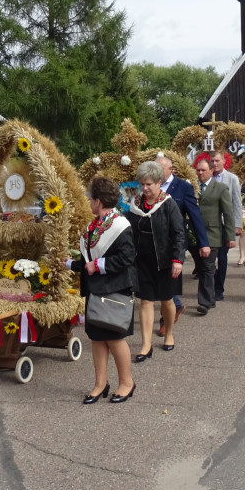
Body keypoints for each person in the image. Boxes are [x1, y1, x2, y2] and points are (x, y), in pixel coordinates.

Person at [66, 176, 136, 404]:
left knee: (115, 338)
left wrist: (98, 266)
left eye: (90, 198)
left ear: (98, 200)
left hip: (115, 289)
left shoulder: (120, 225)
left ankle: (126, 383)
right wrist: (68, 264)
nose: (88, 201)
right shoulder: (94, 225)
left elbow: (127, 258)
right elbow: (88, 260)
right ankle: (100, 383)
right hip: (96, 290)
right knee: (96, 339)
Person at [125, 161, 185, 359]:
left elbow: (178, 233)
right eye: (142, 183)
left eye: (149, 184)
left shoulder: (168, 204)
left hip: (165, 261)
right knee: (145, 301)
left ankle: (168, 334)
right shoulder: (134, 206)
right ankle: (146, 345)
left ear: (159, 182)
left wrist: (178, 260)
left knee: (167, 300)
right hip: (142, 261)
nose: (144, 188)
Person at [156, 155, 209, 335]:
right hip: (154, 242)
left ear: (170, 169)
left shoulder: (183, 187)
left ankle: (165, 320)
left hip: (175, 242)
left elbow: (194, 215)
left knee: (168, 279)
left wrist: (203, 243)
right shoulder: (150, 187)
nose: (156, 173)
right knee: (157, 280)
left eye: (160, 169)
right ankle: (176, 304)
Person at [193, 153, 235, 313]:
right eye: (198, 170)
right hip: (194, 233)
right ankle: (209, 296)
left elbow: (228, 213)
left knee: (207, 266)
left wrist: (230, 236)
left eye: (203, 170)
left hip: (212, 233)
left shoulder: (220, 188)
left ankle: (205, 302)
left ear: (211, 170)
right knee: (202, 267)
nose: (200, 173)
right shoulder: (192, 187)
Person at [206, 150, 242, 301]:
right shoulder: (207, 177)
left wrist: (236, 225)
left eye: (217, 161)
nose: (215, 164)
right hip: (210, 224)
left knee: (222, 257)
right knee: (209, 258)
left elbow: (236, 202)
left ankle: (219, 289)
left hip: (225, 223)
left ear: (224, 161)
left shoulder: (232, 178)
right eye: (212, 161)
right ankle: (211, 285)